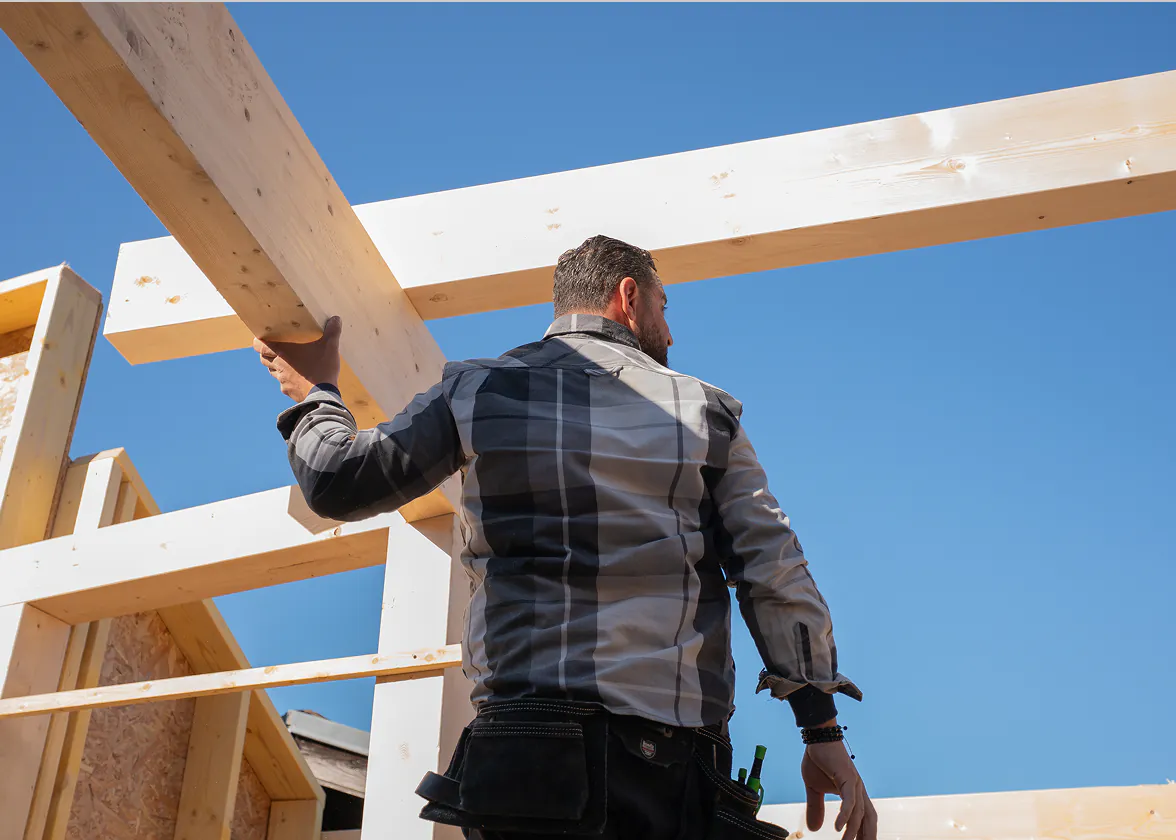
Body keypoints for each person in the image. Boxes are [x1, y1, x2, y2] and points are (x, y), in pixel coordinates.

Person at [254, 235, 876, 840]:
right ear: (628, 297)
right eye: (665, 307)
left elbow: (338, 481)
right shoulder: (704, 413)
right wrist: (820, 729)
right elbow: (773, 567)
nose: (670, 332)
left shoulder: (476, 392)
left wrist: (315, 396)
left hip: (523, 755)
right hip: (669, 762)